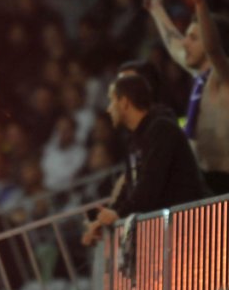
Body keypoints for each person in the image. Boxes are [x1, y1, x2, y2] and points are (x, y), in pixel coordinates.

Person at [144, 0, 229, 191]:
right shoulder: (200, 77)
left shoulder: (226, 78)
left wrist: (200, 2)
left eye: (192, 38)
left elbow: (213, 48)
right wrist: (156, 9)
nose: (185, 43)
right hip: (206, 184)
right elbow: (174, 46)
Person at [81, 74, 209, 246]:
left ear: (124, 102)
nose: (108, 109)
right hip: (167, 232)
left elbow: (149, 184)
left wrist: (118, 215)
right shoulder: (134, 140)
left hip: (190, 229)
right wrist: (106, 217)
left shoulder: (161, 129)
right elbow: (131, 186)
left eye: (112, 101)